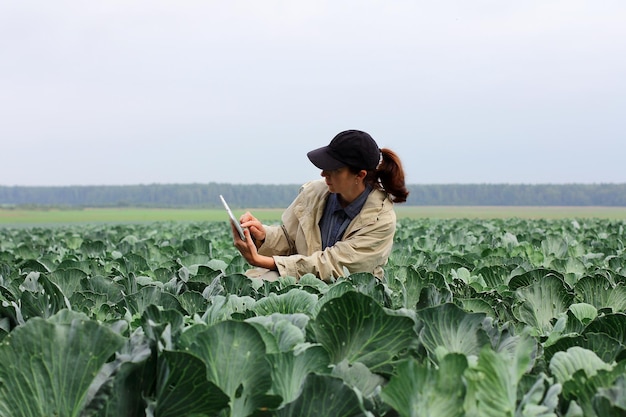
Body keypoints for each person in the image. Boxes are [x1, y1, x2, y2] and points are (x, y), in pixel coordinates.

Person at [229, 129, 409, 282]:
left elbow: (333, 266)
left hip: (350, 294)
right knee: (253, 282)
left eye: (335, 170)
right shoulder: (314, 193)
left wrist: (263, 261)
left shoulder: (381, 220)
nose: (324, 174)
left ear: (359, 175)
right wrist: (262, 236)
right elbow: (289, 239)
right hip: (304, 282)